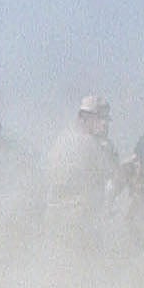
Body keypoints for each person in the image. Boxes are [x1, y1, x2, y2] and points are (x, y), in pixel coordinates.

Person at [44, 94, 122, 234]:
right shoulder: (87, 144)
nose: (104, 124)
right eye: (99, 118)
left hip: (65, 219)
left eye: (106, 119)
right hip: (76, 220)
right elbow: (113, 178)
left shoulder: (65, 140)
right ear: (84, 118)